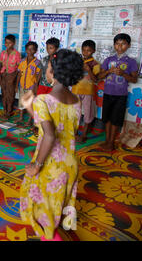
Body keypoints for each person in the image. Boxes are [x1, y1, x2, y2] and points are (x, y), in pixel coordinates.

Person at [19, 49, 84, 241]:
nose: (46, 71)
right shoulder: (76, 100)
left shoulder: (43, 99)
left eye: (48, 68)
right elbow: (56, 123)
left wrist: (36, 165)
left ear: (53, 73)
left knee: (40, 206)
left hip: (49, 163)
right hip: (70, 163)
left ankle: (51, 237)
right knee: (56, 204)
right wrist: (31, 108)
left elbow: (49, 135)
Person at [97, 33, 138, 151]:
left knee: (115, 119)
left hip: (120, 95)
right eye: (117, 43)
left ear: (128, 45)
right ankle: (107, 140)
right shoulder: (109, 60)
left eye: (123, 44)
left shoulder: (131, 62)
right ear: (114, 45)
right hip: (108, 93)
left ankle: (111, 143)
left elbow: (134, 79)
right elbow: (99, 76)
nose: (120, 46)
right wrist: (109, 71)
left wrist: (123, 74)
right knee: (107, 119)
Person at [71, 40, 100, 143]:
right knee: (75, 113)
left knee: (88, 113)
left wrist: (88, 70)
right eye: (84, 50)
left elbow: (96, 80)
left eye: (88, 51)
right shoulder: (78, 61)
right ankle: (74, 133)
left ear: (93, 51)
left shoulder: (95, 64)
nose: (86, 53)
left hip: (88, 92)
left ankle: (83, 134)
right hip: (75, 91)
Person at [15, 41, 41, 126]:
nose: (30, 51)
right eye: (28, 49)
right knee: (21, 102)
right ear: (26, 50)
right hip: (22, 85)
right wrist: (16, 85)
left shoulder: (37, 62)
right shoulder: (22, 61)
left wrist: (36, 87)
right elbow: (19, 74)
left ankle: (30, 120)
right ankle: (21, 117)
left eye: (32, 49)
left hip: (31, 86)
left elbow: (38, 76)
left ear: (35, 51)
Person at [0, 34, 21, 119]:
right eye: (6, 43)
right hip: (3, 76)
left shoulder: (17, 54)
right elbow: (0, 64)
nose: (8, 45)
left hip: (11, 77)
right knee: (4, 94)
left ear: (14, 43)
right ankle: (5, 110)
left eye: (10, 43)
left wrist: (14, 79)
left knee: (10, 95)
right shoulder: (3, 53)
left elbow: (19, 69)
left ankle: (9, 111)